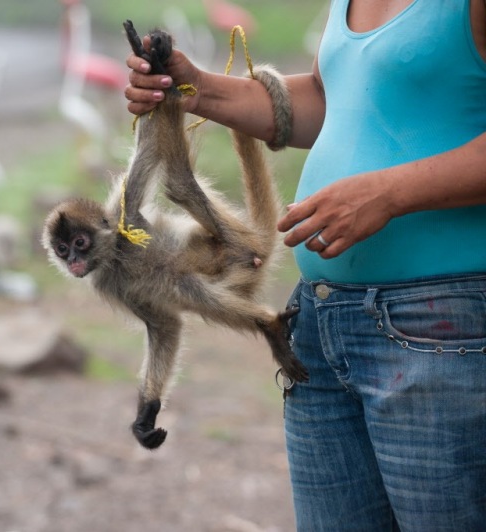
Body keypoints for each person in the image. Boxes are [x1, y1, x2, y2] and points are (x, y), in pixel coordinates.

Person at [125, 1, 486, 529]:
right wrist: (195, 89)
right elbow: (329, 100)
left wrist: (388, 193)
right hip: (319, 325)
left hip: (440, 330)